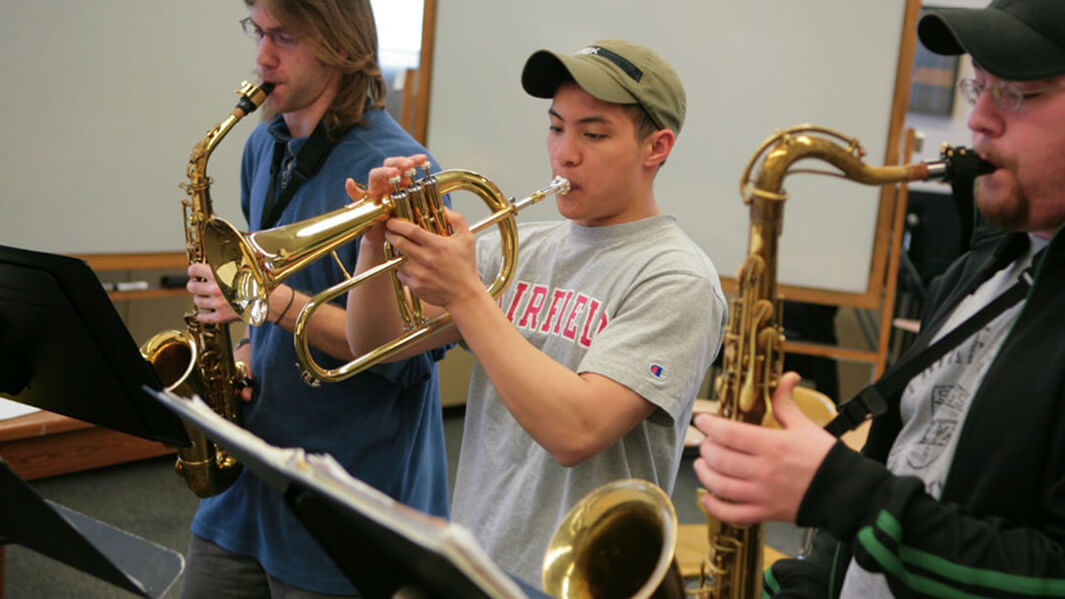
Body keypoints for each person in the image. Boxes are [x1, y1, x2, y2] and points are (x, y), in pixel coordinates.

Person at [693, 1, 1065, 597]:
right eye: (980, 87)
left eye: (1019, 94)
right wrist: (804, 582)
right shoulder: (975, 274)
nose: (980, 121)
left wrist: (834, 490)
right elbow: (893, 472)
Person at [346, 40, 727, 586]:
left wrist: (467, 295)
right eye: (556, 127)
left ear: (656, 147)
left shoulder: (677, 278)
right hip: (477, 559)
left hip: (583, 580)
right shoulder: (516, 246)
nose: (564, 154)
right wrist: (374, 240)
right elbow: (373, 342)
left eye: (593, 134)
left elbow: (576, 430)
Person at [179, 1, 449, 596]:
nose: (262, 55)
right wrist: (247, 351)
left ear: (343, 49)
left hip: (347, 494)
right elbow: (259, 301)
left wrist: (269, 301)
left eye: (285, 37)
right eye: (258, 31)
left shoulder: (399, 170)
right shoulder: (262, 146)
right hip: (253, 477)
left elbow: (404, 356)